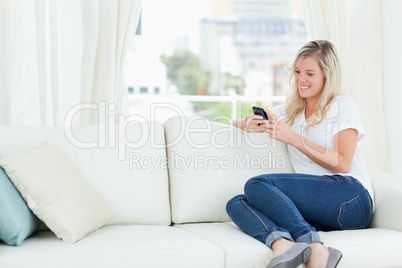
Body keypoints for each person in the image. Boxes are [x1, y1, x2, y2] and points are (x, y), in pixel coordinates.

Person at [226, 40, 373, 268]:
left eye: (310, 73)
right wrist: (248, 122)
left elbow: (342, 163)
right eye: (297, 71)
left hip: (351, 197)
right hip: (322, 208)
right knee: (237, 203)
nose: (301, 80)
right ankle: (282, 244)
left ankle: (313, 246)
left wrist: (293, 138)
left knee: (257, 184)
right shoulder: (291, 112)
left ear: (327, 75)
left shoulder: (342, 105)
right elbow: (236, 123)